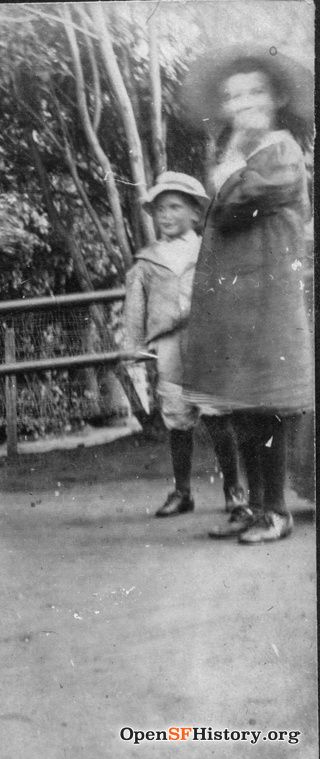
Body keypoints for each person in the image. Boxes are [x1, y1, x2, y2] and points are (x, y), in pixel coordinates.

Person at [178, 47, 314, 544]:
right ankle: (254, 507)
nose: (244, 103)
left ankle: (275, 510)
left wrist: (231, 157)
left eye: (255, 91)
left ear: (277, 97)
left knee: (269, 405)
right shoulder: (240, 154)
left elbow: (231, 204)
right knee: (243, 406)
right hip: (238, 299)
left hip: (268, 297)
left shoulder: (279, 152)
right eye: (234, 96)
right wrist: (230, 157)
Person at [123, 172, 245, 518]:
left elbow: (228, 296)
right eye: (160, 209)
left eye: (175, 207)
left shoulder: (209, 250)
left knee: (216, 415)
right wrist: (133, 345)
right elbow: (135, 305)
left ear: (195, 213)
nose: (167, 215)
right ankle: (182, 491)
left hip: (207, 343)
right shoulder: (148, 260)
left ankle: (234, 490)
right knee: (177, 417)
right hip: (169, 346)